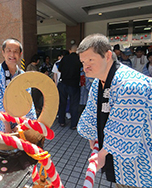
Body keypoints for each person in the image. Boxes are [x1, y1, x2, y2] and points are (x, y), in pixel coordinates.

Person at [77, 33, 152, 188]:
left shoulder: (131, 84)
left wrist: (102, 153)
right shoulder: (99, 82)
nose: (86, 66)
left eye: (90, 60)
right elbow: (92, 112)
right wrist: (93, 135)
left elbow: (124, 130)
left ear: (108, 55)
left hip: (142, 161)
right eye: (83, 62)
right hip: (120, 164)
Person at [0, 38, 36, 133]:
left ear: (20, 54)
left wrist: (22, 124)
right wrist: (6, 126)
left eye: (15, 51)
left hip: (19, 121)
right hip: (0, 122)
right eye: (9, 51)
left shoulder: (23, 75)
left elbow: (27, 102)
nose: (12, 55)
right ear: (3, 53)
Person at [57, 45, 82, 129]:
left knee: (62, 103)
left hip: (63, 83)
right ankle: (73, 124)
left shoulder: (65, 58)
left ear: (70, 50)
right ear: (77, 51)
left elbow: (59, 69)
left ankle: (61, 122)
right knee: (74, 105)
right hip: (74, 85)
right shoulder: (79, 59)